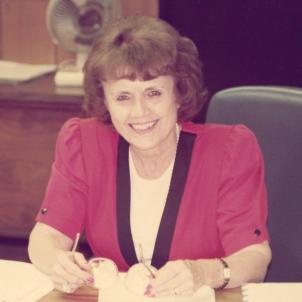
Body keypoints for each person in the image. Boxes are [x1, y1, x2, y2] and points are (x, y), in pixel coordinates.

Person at [28, 15, 271, 296]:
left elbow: (255, 258)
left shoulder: (230, 150)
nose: (140, 112)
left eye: (153, 92)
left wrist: (205, 272)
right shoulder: (83, 143)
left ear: (179, 93)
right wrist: (57, 262)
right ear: (105, 100)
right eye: (123, 97)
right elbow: (46, 237)